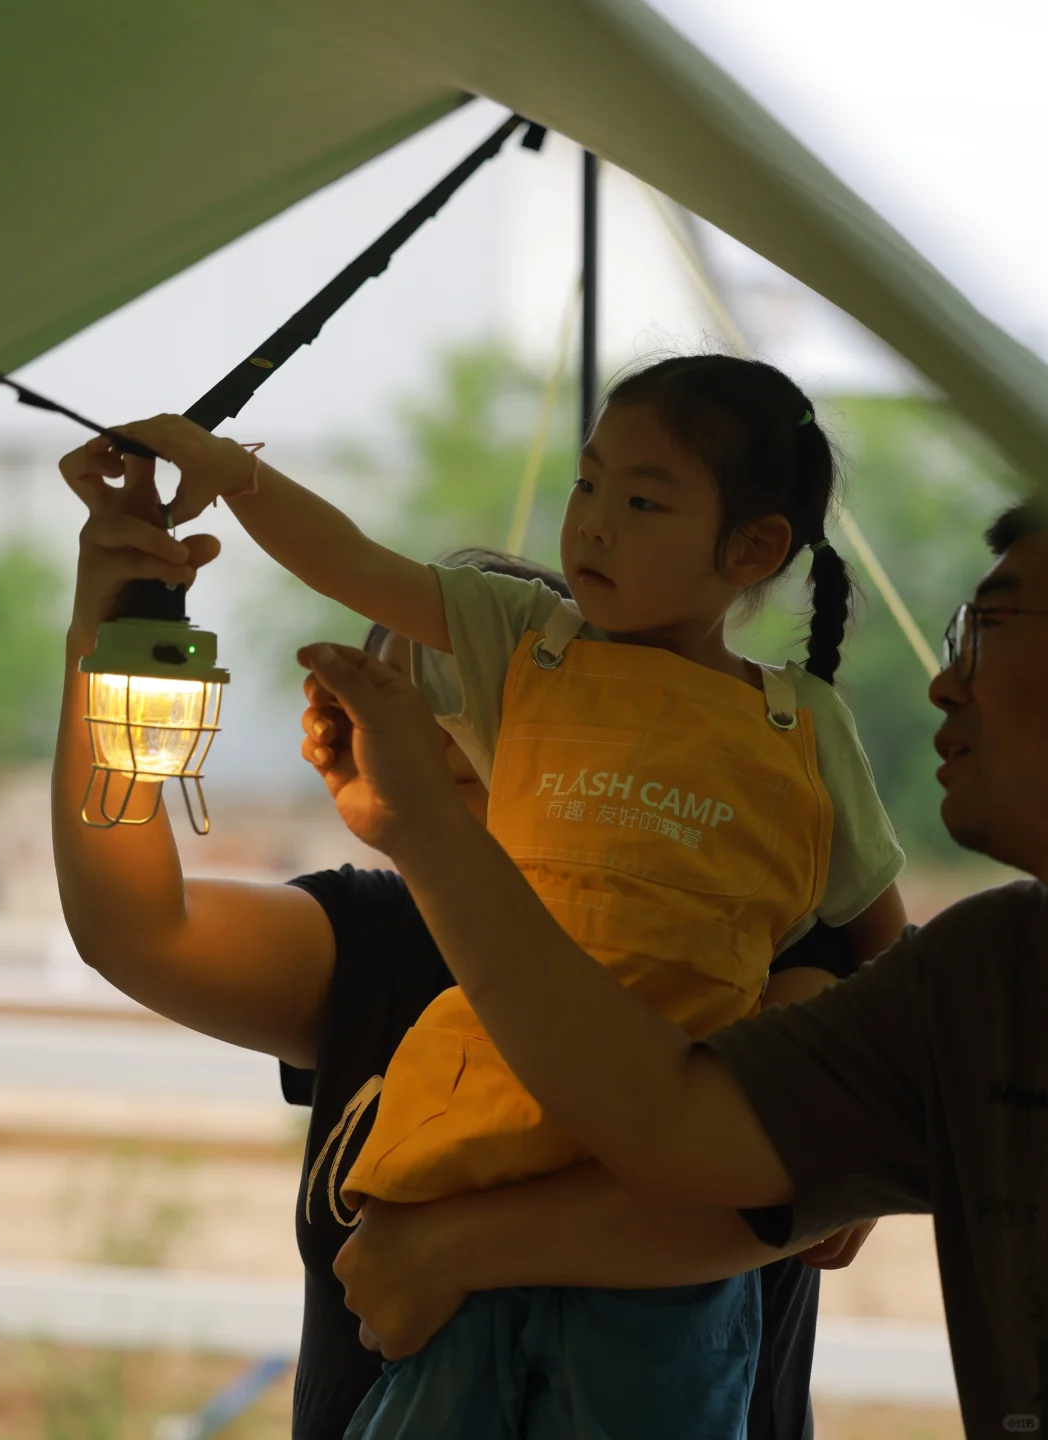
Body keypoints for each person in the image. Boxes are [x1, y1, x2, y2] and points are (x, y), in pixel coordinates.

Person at [77, 354, 907, 1437]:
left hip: (661, 1264)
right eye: (586, 484)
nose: (594, 520)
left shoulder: (799, 763)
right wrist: (213, 504)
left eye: (642, 501)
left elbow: (882, 968)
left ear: (752, 550)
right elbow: (355, 567)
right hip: (471, 1195)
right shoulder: (516, 674)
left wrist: (863, 1137)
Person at [297, 496, 1048, 1436]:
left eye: (987, 629)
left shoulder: (846, 967)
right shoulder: (984, 972)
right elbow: (683, 1128)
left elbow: (704, 1161)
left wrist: (445, 1248)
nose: (944, 682)